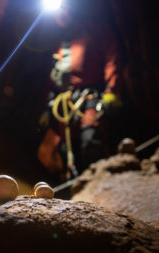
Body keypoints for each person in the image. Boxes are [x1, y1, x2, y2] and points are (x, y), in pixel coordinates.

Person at [37, 1, 121, 179]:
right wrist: (47, 106)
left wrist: (111, 91)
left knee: (90, 140)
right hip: (64, 99)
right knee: (63, 148)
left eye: (62, 13)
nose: (59, 18)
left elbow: (112, 57)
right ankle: (70, 187)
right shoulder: (62, 39)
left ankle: (98, 185)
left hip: (89, 94)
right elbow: (52, 75)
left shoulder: (95, 29)